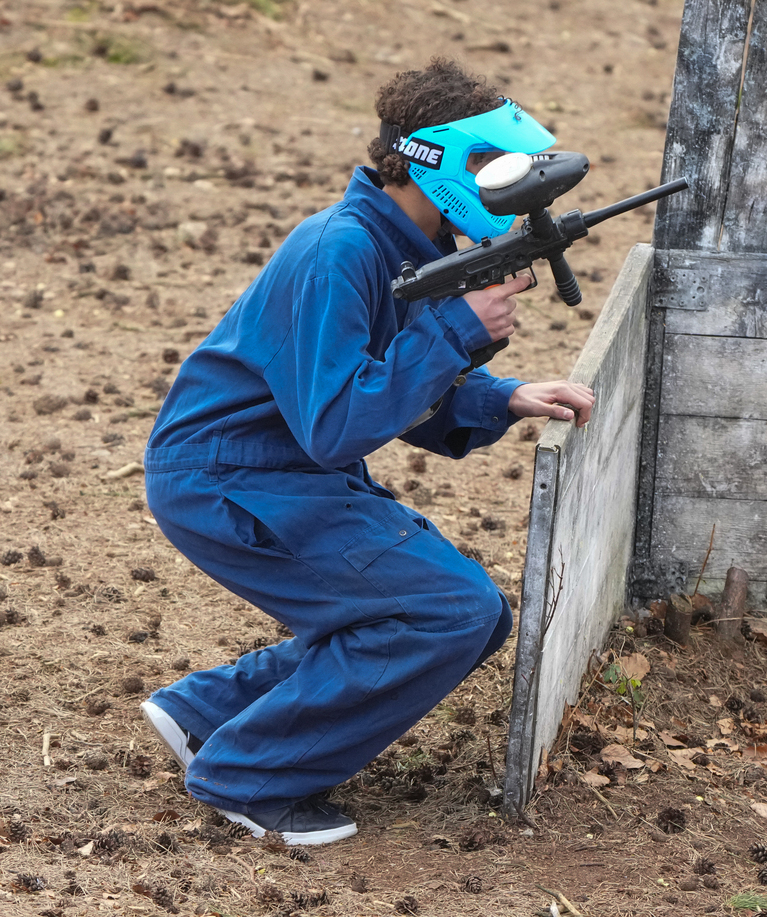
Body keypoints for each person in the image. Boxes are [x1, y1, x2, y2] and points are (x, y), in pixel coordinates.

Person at [140, 57, 595, 847]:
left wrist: (502, 394)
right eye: (487, 164)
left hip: (286, 474)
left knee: (470, 616)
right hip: (229, 479)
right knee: (445, 609)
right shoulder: (340, 251)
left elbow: (394, 391)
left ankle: (206, 710)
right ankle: (249, 773)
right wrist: (455, 332)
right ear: (433, 162)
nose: (500, 184)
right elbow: (339, 421)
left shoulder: (410, 246)